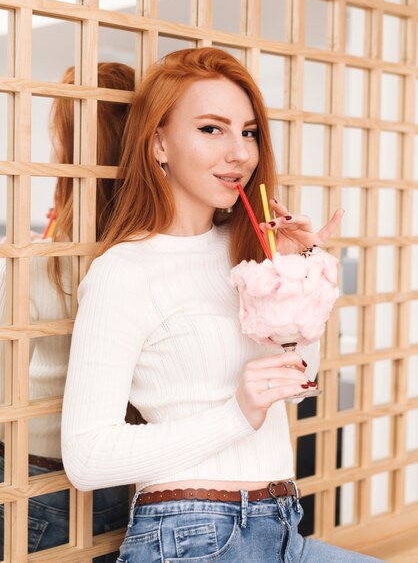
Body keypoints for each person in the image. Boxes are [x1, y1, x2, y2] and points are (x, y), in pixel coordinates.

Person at [61, 48, 385, 562]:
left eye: (249, 132)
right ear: (160, 143)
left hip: (283, 527)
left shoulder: (248, 253)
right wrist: (236, 414)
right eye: (212, 129)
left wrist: (301, 274)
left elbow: (298, 387)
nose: (240, 152)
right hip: (193, 535)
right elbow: (87, 457)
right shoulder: (125, 271)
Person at [0, 62, 135, 560]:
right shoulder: (147, 242)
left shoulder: (51, 256)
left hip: (39, 464)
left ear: (74, 145)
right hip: (121, 470)